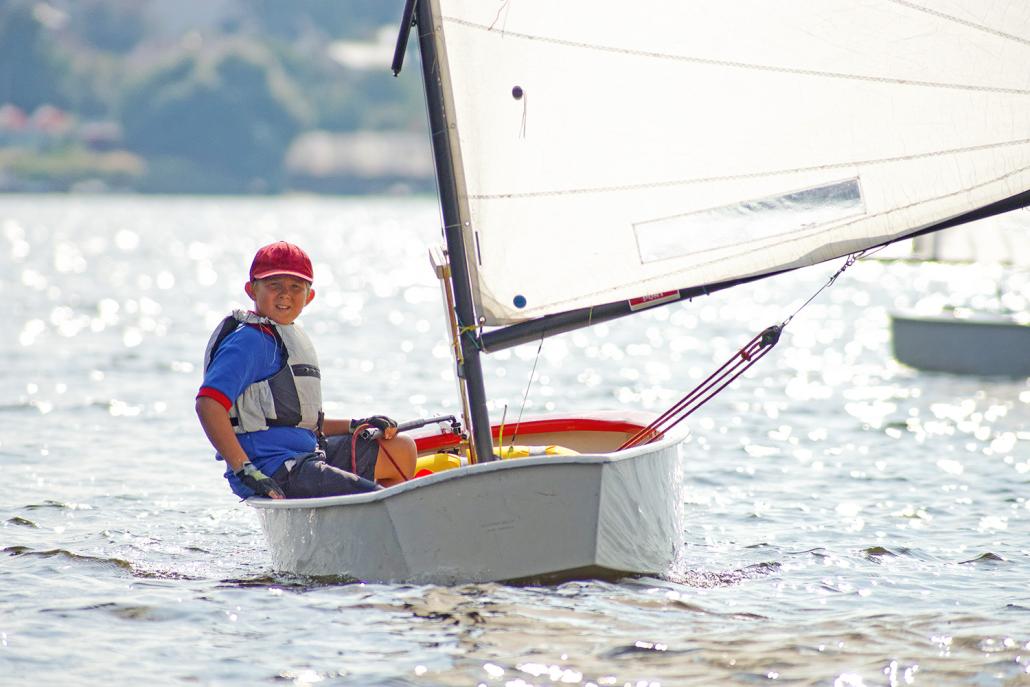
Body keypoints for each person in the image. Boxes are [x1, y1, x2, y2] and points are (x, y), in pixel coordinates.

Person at [196, 241, 417, 500]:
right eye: (274, 285)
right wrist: (245, 469)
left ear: (309, 297)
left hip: (305, 455)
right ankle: (385, 522)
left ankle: (383, 531)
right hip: (274, 468)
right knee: (382, 498)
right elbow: (208, 404)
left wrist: (355, 424)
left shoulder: (287, 335)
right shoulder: (249, 342)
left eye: (295, 287)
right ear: (251, 291)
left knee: (401, 449)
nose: (284, 295)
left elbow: (299, 422)